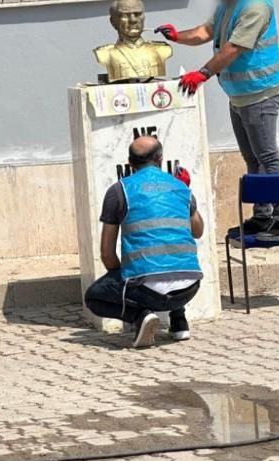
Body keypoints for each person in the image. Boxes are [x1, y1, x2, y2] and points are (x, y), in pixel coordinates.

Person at [157, 0, 279, 239]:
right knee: (252, 158)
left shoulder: (255, 5)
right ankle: (262, 216)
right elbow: (207, 31)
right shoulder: (229, 3)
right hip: (239, 94)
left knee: (267, 155)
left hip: (260, 92)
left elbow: (233, 48)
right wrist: (177, 36)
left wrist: (202, 74)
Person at [84, 135, 204, 349]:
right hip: (191, 286)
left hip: (146, 290)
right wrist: (188, 197)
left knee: (94, 297)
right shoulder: (180, 187)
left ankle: (140, 316)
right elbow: (198, 230)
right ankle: (179, 321)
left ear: (130, 164)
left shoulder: (119, 191)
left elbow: (107, 254)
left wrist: (121, 279)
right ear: (160, 160)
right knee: (173, 258)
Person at [94, 0, 172, 82]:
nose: (133, 20)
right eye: (125, 15)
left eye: (137, 14)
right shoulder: (105, 53)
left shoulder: (161, 49)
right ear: (113, 22)